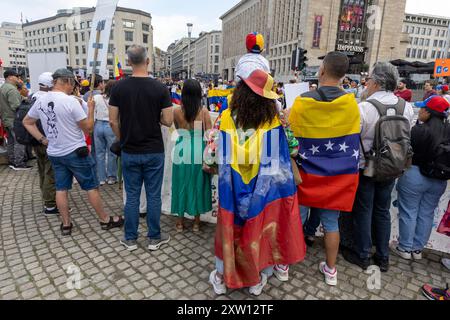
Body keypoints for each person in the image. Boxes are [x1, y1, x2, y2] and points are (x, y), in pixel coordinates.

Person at [208, 69, 305, 296]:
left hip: (231, 186)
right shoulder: (273, 122)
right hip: (263, 190)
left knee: (230, 229)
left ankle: (222, 277)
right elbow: (293, 149)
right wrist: (287, 126)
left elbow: (210, 155)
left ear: (241, 92)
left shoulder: (225, 118)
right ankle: (257, 278)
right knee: (261, 229)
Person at [23, 68, 124, 236]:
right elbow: (88, 128)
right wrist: (90, 108)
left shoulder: (40, 100)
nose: (74, 87)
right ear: (68, 81)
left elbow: (28, 122)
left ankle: (66, 224)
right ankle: (105, 219)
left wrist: (43, 139)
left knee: (61, 188)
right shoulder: (70, 101)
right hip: (76, 151)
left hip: (55, 152)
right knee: (91, 187)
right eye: (73, 84)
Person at [289, 51, 361, 286]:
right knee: (331, 224)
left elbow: (291, 134)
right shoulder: (352, 104)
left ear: (321, 71)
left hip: (306, 174)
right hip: (337, 177)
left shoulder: (302, 101)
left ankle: (285, 264)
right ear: (343, 75)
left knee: (296, 219)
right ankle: (331, 270)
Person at [342, 62, 415, 272]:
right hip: (392, 167)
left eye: (370, 79)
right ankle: (383, 257)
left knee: (364, 210)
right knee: (382, 211)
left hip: (367, 167)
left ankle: (362, 253)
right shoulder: (406, 107)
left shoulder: (364, 107)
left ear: (375, 82)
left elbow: (353, 136)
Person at [109, 45, 173, 252]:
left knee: (132, 195)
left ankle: (130, 238)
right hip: (154, 149)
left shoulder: (118, 88)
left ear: (128, 62)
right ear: (148, 61)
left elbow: (113, 121)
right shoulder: (160, 88)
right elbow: (168, 120)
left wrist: (123, 138)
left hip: (130, 151)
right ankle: (154, 237)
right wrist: (156, 117)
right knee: (154, 195)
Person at [392, 96, 450, 261]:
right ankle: (417, 250)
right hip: (439, 179)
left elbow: (405, 151)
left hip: (415, 175)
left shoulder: (418, 130)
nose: (421, 111)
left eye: (423, 109)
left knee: (409, 212)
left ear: (429, 112)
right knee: (427, 213)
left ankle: (405, 247)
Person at [171, 79, 212, 232]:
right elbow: (209, 135)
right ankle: (196, 222)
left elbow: (177, 128)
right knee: (197, 184)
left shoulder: (176, 111)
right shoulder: (204, 111)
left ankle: (180, 222)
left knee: (181, 184)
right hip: (198, 149)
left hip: (182, 148)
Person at [32, 72, 58, 216]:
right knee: (50, 172)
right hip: (47, 140)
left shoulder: (33, 96)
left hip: (36, 139)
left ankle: (46, 197)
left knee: (42, 170)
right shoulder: (47, 99)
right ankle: (50, 204)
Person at [0, 70, 31, 170]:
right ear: (9, 77)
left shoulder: (3, 87)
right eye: (16, 76)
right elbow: (16, 106)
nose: (18, 79)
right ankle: (19, 163)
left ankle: (12, 161)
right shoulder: (11, 89)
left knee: (11, 142)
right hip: (14, 119)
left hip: (6, 119)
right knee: (19, 141)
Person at [93, 80, 117, 186]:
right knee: (111, 152)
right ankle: (111, 176)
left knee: (99, 153)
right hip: (109, 125)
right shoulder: (115, 99)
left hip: (98, 125)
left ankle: (101, 178)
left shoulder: (97, 97)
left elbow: (93, 113)